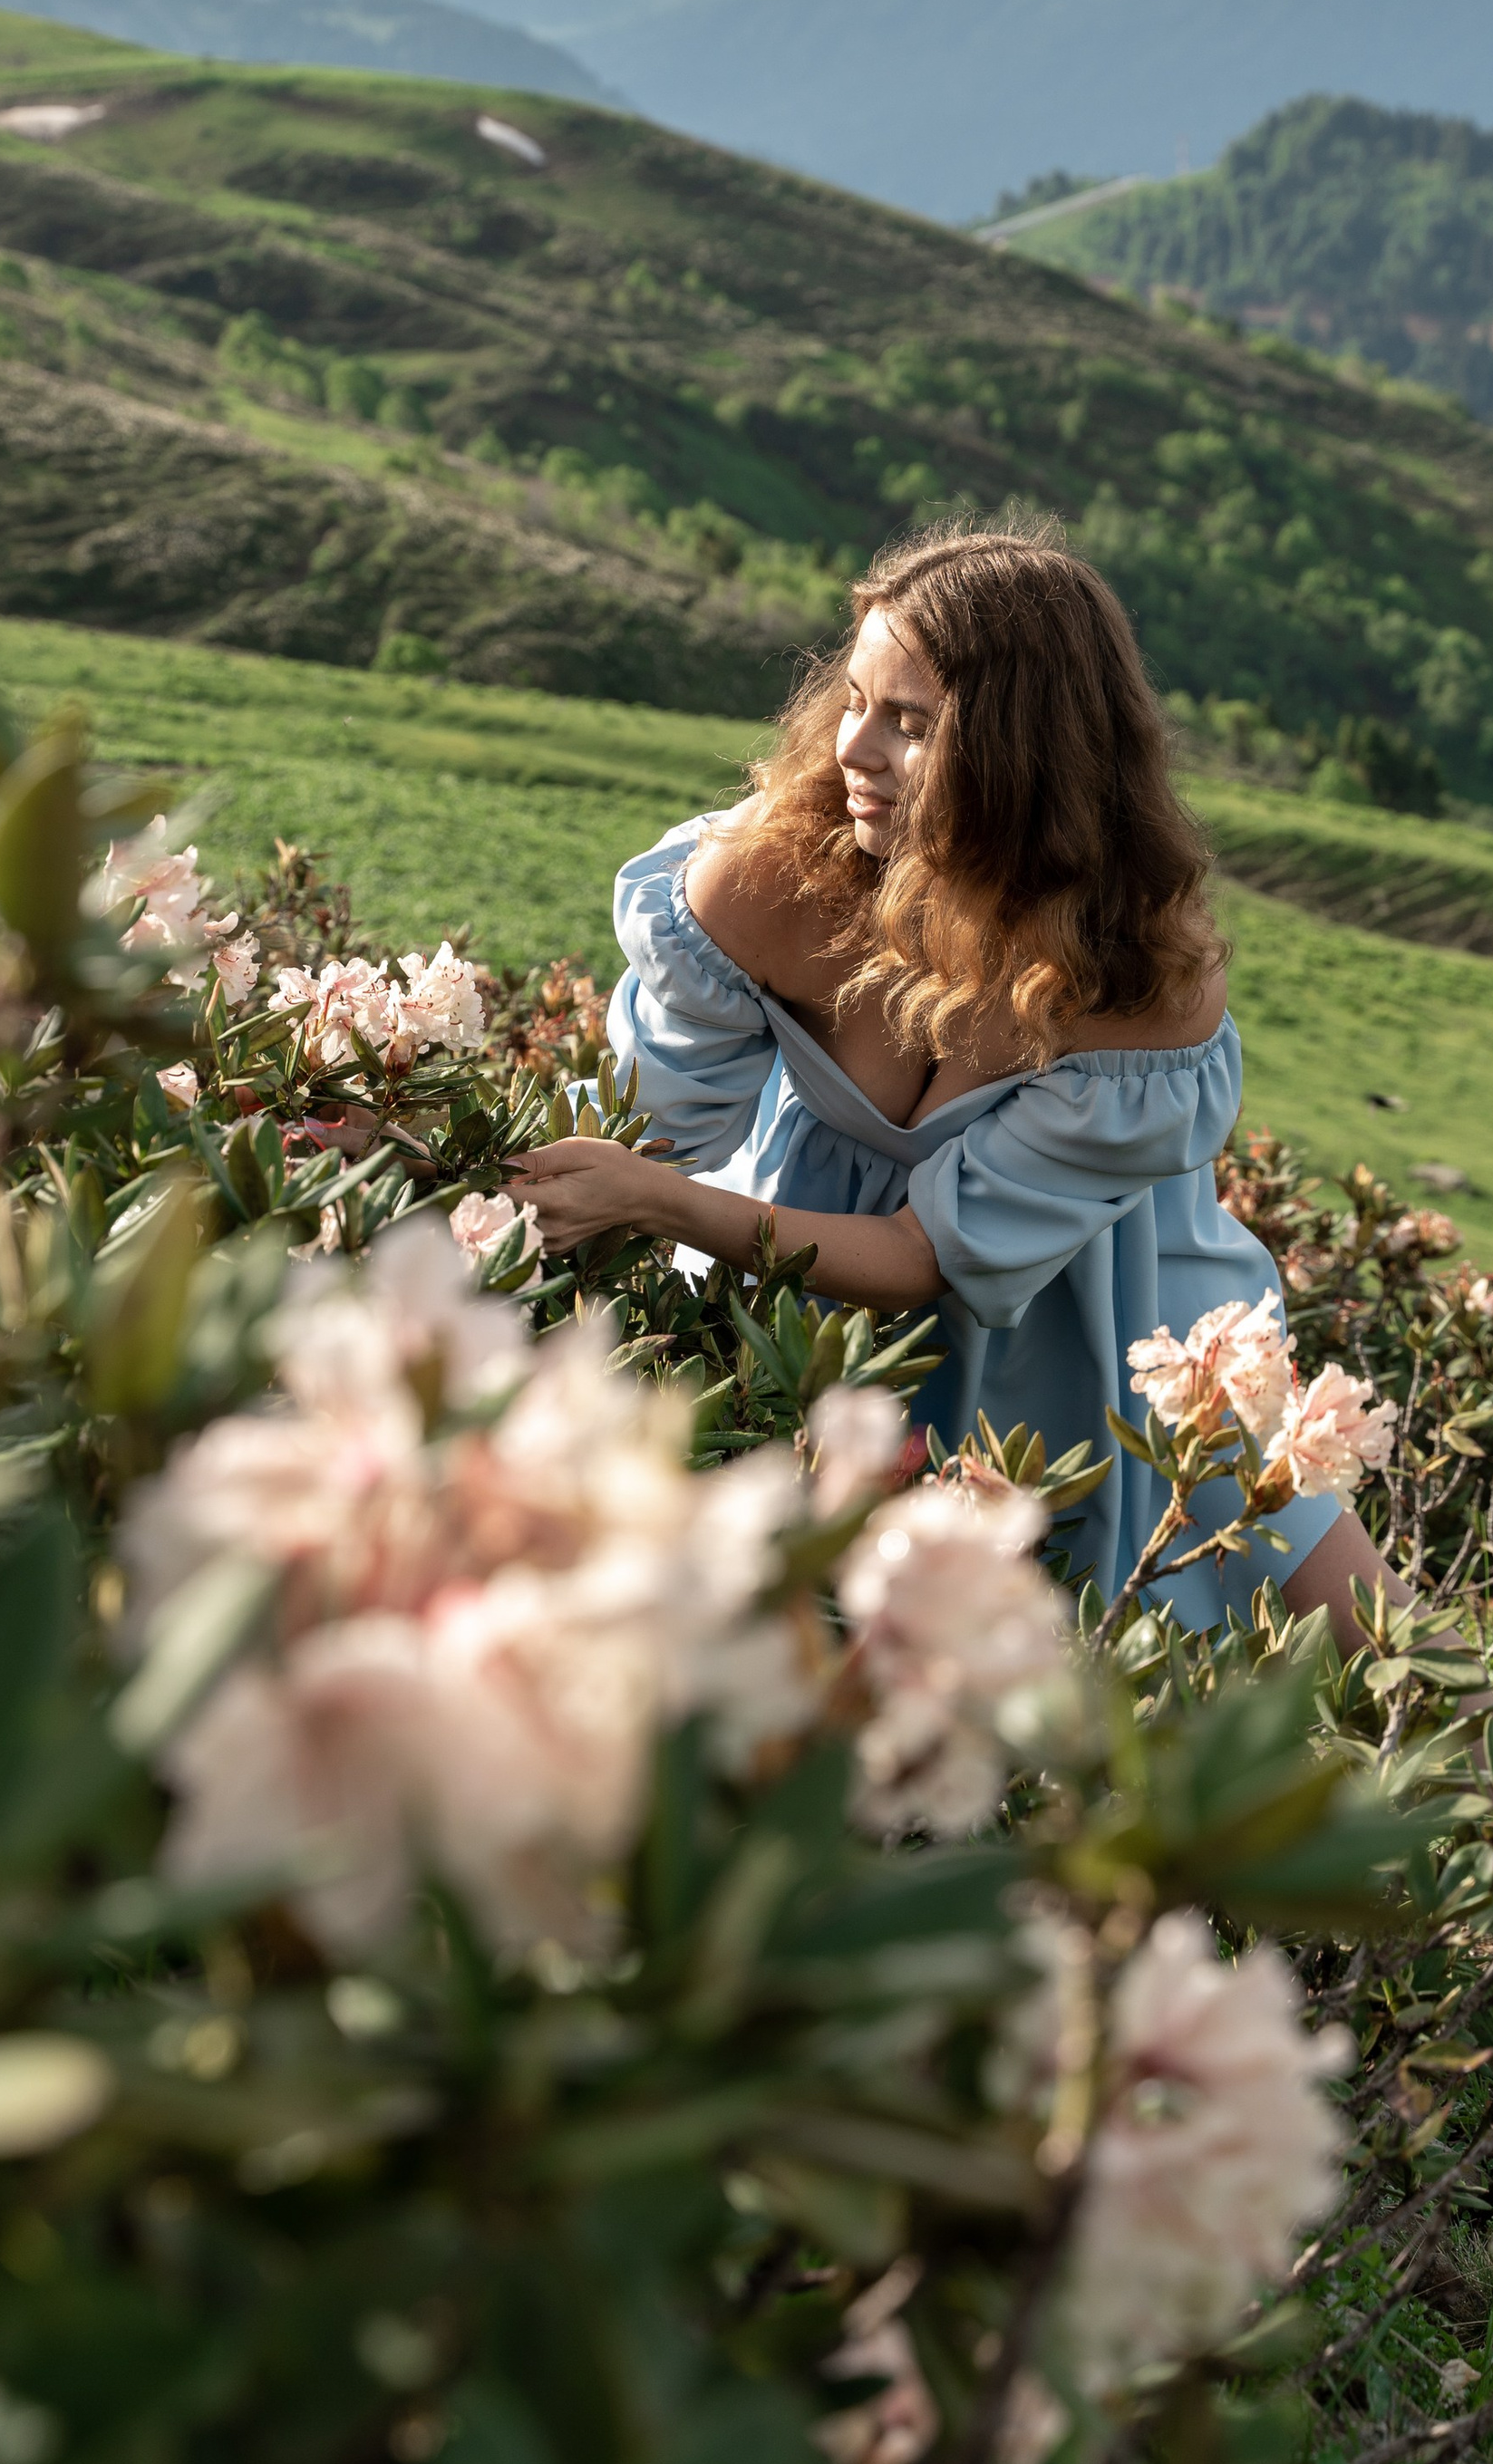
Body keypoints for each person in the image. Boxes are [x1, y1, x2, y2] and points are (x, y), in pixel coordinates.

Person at [514, 519, 1411, 1647]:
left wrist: (669, 1207)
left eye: (910, 725)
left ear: (1027, 756)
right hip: (793, 1283)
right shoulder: (764, 881)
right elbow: (647, 1135)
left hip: (1103, 1310)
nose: (853, 751)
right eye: (852, 702)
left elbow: (924, 1258)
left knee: (1356, 1625)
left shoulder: (1134, 972)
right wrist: (423, 1154)